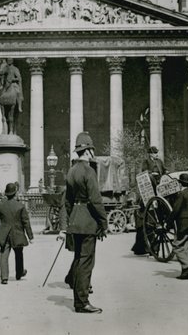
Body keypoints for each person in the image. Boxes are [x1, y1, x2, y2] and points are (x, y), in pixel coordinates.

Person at [60, 131, 108, 314]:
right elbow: (96, 200)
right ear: (88, 151)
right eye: (92, 151)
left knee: (79, 259)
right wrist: (103, 223)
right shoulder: (89, 171)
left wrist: (72, 220)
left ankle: (78, 299)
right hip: (88, 223)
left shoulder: (71, 171)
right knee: (86, 263)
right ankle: (82, 303)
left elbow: (68, 201)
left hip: (76, 221)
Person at [0, 182, 33, 285]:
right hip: (17, 232)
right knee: (19, 253)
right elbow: (26, 222)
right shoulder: (20, 206)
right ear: (15, 193)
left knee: (3, 254)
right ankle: (19, 273)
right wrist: (30, 236)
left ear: (6, 193)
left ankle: (4, 277)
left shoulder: (0, 205)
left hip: (4, 232)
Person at [167, 173, 188, 280]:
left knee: (176, 246)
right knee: (187, 247)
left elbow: (175, 210)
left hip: (184, 224)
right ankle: (185, 273)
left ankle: (186, 265)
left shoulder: (181, 194)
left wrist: (168, 222)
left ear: (180, 183)